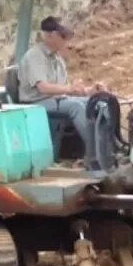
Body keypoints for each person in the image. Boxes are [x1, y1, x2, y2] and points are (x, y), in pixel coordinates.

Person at [17, 16, 114, 171]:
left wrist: (90, 91)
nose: (66, 40)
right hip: (36, 103)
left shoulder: (57, 59)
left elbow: (63, 88)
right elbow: (43, 88)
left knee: (97, 103)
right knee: (75, 107)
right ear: (49, 35)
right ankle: (95, 154)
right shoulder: (34, 56)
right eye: (63, 36)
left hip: (56, 100)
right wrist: (70, 90)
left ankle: (111, 148)